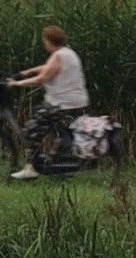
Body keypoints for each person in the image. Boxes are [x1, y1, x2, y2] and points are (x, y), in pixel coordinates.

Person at [7, 25, 88, 181]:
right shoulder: (68, 52)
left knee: (31, 129)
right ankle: (54, 163)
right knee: (59, 131)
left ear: (49, 41)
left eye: (44, 40)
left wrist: (17, 84)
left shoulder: (58, 56)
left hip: (61, 104)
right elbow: (48, 68)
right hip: (77, 102)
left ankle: (30, 168)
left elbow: (42, 78)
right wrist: (26, 72)